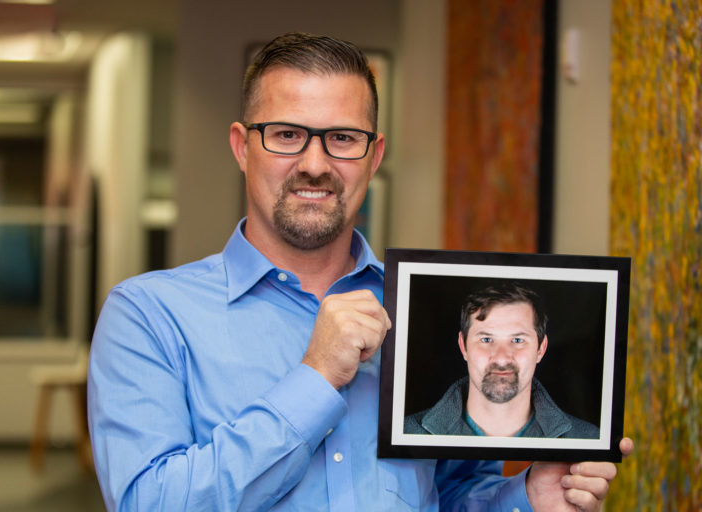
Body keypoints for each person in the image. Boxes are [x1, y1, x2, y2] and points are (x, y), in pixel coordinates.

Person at [88, 32, 632, 511]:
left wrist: (525, 500)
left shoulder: (422, 311)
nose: (316, 164)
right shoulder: (148, 315)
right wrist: (316, 377)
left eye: (343, 138)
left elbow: (457, 499)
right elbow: (147, 502)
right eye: (285, 134)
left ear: (373, 157)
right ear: (241, 147)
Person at [404, 282, 600, 438]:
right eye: (486, 339)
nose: (501, 356)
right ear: (463, 346)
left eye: (517, 340)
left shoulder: (588, 440)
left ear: (541, 348)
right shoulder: (408, 433)